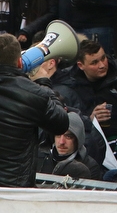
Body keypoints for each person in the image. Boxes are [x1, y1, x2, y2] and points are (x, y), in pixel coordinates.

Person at [0, 32, 69, 187]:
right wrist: (43, 83)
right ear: (19, 62)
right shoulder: (33, 93)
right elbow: (61, 123)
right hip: (14, 188)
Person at [65, 39, 117, 141]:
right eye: (94, 62)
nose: (102, 65)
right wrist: (90, 119)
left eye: (103, 58)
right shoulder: (71, 85)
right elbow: (68, 120)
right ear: (80, 65)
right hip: (89, 140)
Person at [36, 111, 104, 179]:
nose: (61, 142)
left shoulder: (91, 167)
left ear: (78, 139)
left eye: (68, 136)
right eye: (58, 135)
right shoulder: (39, 159)